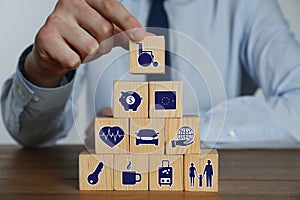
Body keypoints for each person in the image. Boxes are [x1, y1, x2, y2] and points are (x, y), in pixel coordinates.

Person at [1, 0, 300, 148]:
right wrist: (44, 72)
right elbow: (30, 137)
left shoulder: (248, 6)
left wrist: (170, 133)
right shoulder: (92, 5)